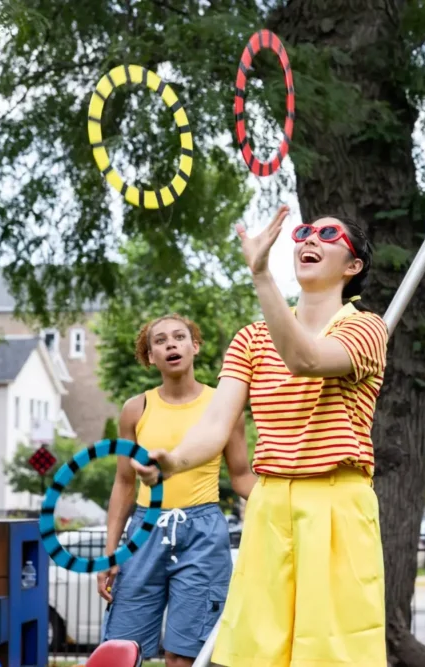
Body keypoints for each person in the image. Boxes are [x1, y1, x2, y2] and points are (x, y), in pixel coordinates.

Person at [132, 206, 389, 667]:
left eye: (328, 234)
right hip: (268, 504)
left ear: (353, 267)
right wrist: (172, 462)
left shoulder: (367, 328)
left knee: (333, 654)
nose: (310, 239)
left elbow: (305, 360)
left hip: (336, 502)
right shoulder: (250, 339)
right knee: (257, 654)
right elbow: (215, 425)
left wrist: (261, 275)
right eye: (305, 232)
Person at [98, 314, 257, 666]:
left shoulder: (223, 406)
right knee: (123, 650)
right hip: (144, 532)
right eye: (160, 340)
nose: (171, 343)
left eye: (180, 336)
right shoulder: (135, 409)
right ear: (150, 357)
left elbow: (242, 475)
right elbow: (124, 483)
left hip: (202, 535)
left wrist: (287, 500)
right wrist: (110, 554)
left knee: (184, 656)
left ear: (194, 346)